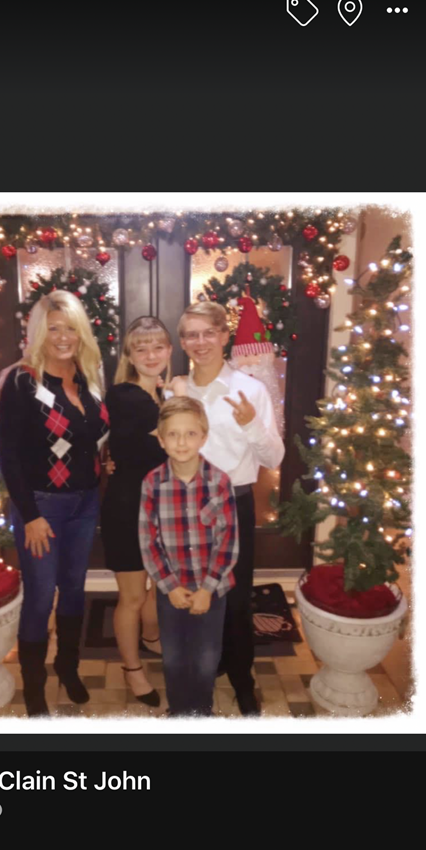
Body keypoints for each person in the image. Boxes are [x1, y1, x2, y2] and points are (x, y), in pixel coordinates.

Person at [0, 291, 109, 717]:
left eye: (71, 328)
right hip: (41, 506)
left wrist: (106, 462)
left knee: (75, 589)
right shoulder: (23, 382)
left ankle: (67, 666)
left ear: (82, 334)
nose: (63, 337)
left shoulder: (88, 377)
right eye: (54, 328)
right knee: (41, 597)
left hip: (85, 503)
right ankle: (34, 689)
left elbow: (90, 439)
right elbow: (8, 456)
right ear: (39, 333)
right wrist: (30, 516)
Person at [172, 300, 285, 716]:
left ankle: (241, 678)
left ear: (224, 336)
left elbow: (274, 458)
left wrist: (250, 422)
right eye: (191, 335)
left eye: (208, 333)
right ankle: (204, 669)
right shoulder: (175, 390)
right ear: (183, 342)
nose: (200, 342)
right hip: (184, 507)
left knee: (234, 600)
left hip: (232, 504)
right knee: (192, 594)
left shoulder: (249, 390)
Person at [138, 397, 239, 716]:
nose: (181, 442)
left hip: (213, 590)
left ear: (203, 437)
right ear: (161, 439)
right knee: (174, 658)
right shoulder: (152, 483)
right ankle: (180, 712)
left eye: (190, 433)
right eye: (173, 434)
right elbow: (148, 541)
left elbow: (228, 540)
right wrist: (169, 586)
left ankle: (201, 712)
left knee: (207, 658)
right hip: (172, 591)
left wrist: (207, 589)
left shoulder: (220, 482)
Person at [100, 317, 173, 707]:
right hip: (129, 507)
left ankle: (152, 637)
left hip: (164, 506)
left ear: (169, 351)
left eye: (158, 347)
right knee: (131, 595)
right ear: (129, 355)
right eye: (141, 348)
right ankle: (132, 669)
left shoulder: (161, 395)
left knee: (159, 585)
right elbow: (172, 439)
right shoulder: (125, 395)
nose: (150, 355)